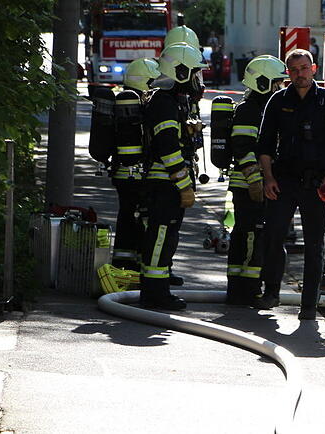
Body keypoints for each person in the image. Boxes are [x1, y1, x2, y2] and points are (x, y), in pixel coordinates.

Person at [255, 49, 325, 320]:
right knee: (273, 236)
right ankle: (271, 291)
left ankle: (309, 304)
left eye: (304, 68)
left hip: (317, 183)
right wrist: (268, 177)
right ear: (288, 72)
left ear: (314, 68)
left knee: (314, 244)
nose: (300, 74)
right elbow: (264, 145)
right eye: (294, 69)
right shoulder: (277, 101)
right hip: (283, 181)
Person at [139, 43, 208, 310]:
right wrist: (183, 185)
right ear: (179, 72)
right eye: (193, 73)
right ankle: (154, 293)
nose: (196, 81)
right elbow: (167, 149)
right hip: (165, 183)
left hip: (169, 183)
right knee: (160, 236)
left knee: (167, 236)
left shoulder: (172, 102)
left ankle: (160, 287)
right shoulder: (163, 103)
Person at [225, 55, 289, 306]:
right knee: (250, 235)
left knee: (252, 235)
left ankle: (244, 288)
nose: (280, 88)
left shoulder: (265, 108)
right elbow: (241, 147)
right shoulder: (249, 109)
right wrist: (255, 181)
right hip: (249, 186)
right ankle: (245, 289)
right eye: (276, 83)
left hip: (262, 185)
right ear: (263, 82)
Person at [109, 58, 158, 272]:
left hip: (121, 173)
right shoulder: (142, 106)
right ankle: (141, 264)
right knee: (144, 218)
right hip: (139, 174)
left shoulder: (121, 103)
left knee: (127, 216)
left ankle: (123, 263)